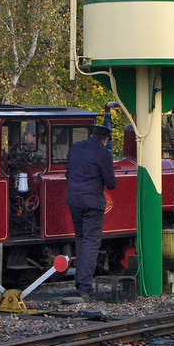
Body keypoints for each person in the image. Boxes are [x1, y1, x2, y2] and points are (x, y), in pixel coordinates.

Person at [65, 125, 117, 297]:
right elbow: (111, 183)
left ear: (92, 134)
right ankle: (85, 286)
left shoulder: (75, 148)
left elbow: (68, 174)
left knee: (80, 239)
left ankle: (80, 282)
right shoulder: (104, 153)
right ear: (105, 139)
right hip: (92, 202)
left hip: (74, 200)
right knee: (90, 242)